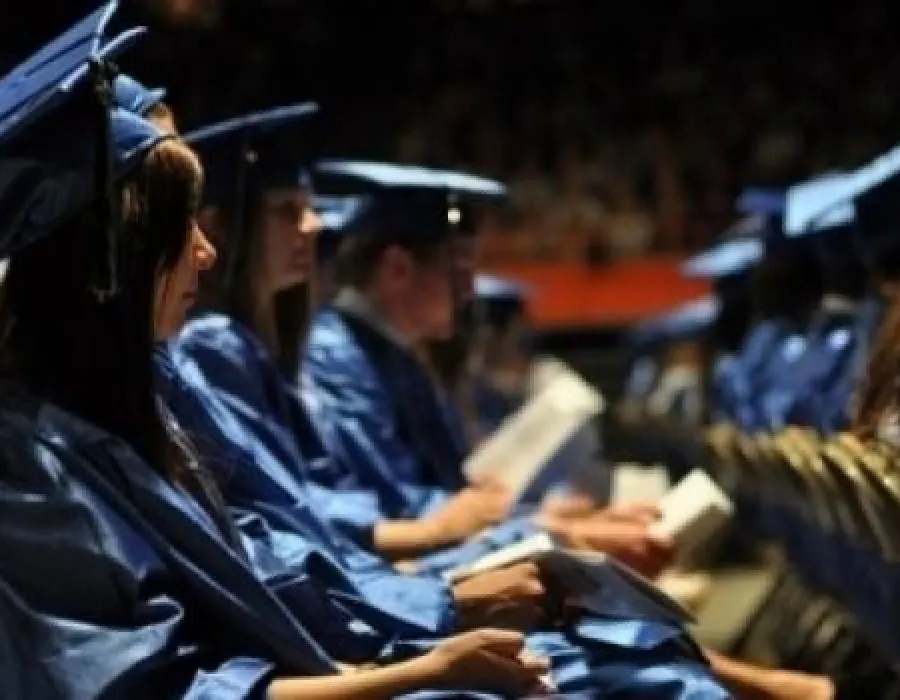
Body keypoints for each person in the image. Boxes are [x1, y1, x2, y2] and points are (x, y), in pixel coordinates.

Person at [0, 9, 553, 698]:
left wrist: (433, 616)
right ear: (111, 258)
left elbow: (267, 546)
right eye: (182, 228)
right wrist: (421, 654)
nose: (206, 250)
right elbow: (158, 683)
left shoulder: (139, 394)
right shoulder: (26, 461)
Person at [162, 114, 735, 697]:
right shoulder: (226, 352)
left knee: (644, 647)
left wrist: (535, 527)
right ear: (397, 268)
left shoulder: (249, 355)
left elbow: (309, 518)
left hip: (360, 601)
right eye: (288, 210)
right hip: (350, 619)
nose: (470, 291)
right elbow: (322, 523)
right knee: (645, 667)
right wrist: (442, 579)